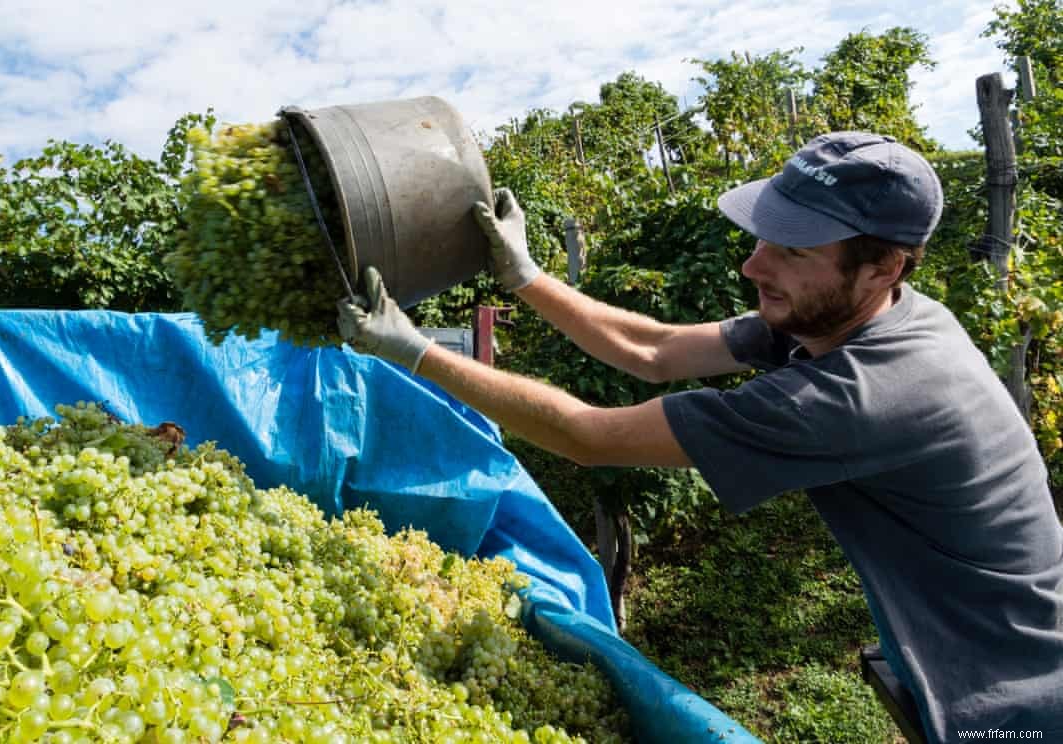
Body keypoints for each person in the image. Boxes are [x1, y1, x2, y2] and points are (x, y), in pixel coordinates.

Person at [336, 131, 1063, 743]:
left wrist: (415, 353)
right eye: (763, 238)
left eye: (794, 251)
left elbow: (589, 436)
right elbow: (653, 350)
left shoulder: (860, 393)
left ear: (884, 266)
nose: (753, 265)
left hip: (1011, 695)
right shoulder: (861, 312)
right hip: (964, 649)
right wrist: (524, 275)